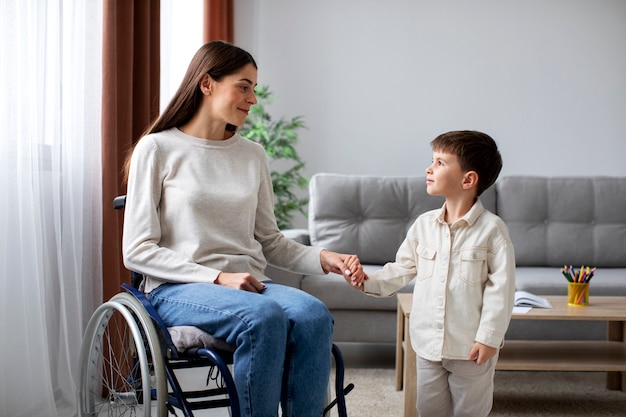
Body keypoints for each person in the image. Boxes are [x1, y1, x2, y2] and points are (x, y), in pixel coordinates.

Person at [122, 41, 363, 417]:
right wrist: (218, 277)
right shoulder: (157, 149)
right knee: (263, 319)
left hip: (248, 286)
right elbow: (137, 249)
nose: (252, 98)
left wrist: (324, 258)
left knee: (314, 314)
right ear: (207, 84)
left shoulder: (252, 154)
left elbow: (271, 240)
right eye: (243, 85)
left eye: (254, 88)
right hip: (177, 288)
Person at [346, 131, 515, 417]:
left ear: (468, 179)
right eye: (432, 161)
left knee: (470, 411)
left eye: (439, 162)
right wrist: (366, 280)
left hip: (469, 348)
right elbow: (401, 269)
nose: (428, 168)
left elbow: (502, 289)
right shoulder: (423, 226)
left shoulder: (493, 230)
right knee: (428, 410)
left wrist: (488, 337)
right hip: (426, 346)